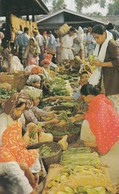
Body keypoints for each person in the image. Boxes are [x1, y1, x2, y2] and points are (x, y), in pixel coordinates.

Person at [78, 83, 119, 187]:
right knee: (86, 121)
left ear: (88, 95)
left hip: (113, 133)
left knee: (86, 124)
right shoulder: (99, 99)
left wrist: (85, 118)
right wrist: (84, 116)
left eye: (83, 97)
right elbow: (93, 114)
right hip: (115, 127)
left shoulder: (99, 102)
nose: (83, 99)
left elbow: (99, 118)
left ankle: (95, 145)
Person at [0, 93, 42, 194]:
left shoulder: (15, 119)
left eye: (22, 110)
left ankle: (33, 184)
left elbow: (17, 143)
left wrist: (27, 132)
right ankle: (28, 188)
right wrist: (21, 165)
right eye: (18, 110)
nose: (20, 113)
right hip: (4, 157)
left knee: (34, 154)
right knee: (16, 171)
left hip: (13, 152)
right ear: (11, 107)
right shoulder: (2, 122)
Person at [88, 24, 119, 96]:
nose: (96, 40)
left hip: (113, 78)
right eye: (94, 38)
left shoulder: (111, 44)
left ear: (104, 34)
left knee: (112, 101)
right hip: (105, 76)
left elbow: (117, 61)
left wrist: (102, 64)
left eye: (97, 37)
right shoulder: (100, 44)